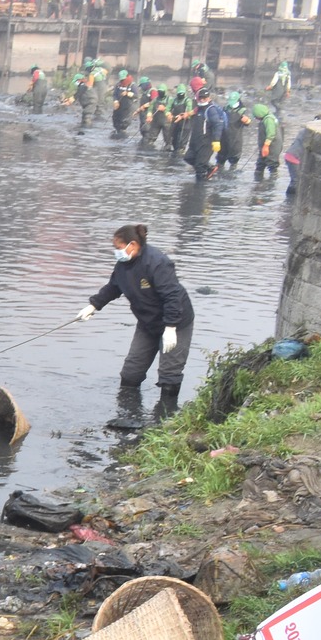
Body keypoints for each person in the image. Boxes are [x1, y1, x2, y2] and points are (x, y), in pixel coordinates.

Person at [74, 224, 195, 413]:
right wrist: (93, 306)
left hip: (176, 322)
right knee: (131, 372)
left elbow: (172, 296)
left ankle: (165, 418)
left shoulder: (157, 263)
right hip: (147, 323)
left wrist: (171, 327)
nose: (117, 252)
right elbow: (114, 287)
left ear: (132, 244)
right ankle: (128, 413)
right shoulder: (123, 265)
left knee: (169, 375)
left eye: (119, 247)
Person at [190, 92, 226, 177]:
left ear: (209, 98)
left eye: (204, 98)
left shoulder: (211, 110)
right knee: (189, 157)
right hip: (196, 140)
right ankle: (210, 168)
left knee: (200, 166)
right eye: (201, 98)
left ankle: (202, 181)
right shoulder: (198, 109)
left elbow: (218, 124)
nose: (202, 100)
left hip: (206, 141)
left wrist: (216, 140)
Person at [252, 102, 281, 181]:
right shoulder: (268, 117)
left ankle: (272, 182)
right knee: (260, 163)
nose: (256, 118)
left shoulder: (269, 119)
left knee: (272, 163)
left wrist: (266, 146)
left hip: (272, 146)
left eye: (256, 116)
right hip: (266, 146)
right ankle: (258, 180)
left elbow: (271, 133)